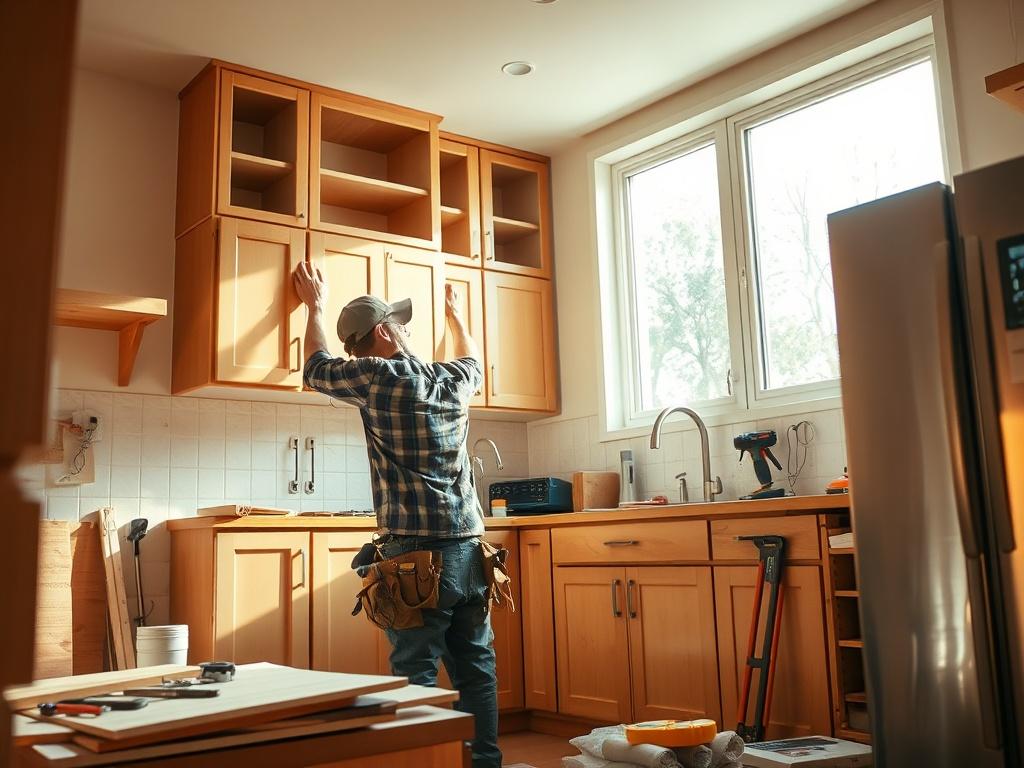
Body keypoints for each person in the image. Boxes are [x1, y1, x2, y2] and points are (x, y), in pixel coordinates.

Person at [292, 262, 501, 768]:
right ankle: (484, 764)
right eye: (401, 324)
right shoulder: (453, 379)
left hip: (416, 556)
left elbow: (316, 367)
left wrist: (314, 307)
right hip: (473, 551)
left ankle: (425, 761)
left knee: (416, 670)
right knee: (476, 669)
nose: (408, 330)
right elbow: (473, 358)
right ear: (384, 332)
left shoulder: (375, 377)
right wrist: (456, 318)